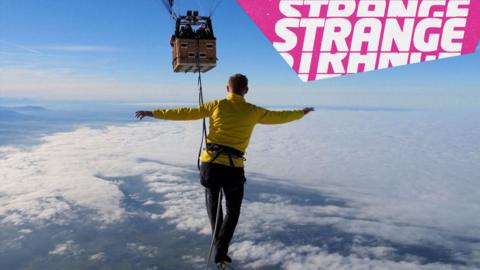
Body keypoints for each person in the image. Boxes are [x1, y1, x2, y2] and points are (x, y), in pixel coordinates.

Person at [135, 74, 314, 265]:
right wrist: (301, 112)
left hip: (210, 165)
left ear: (227, 89)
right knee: (233, 210)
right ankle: (221, 250)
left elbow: (185, 112)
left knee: (213, 202)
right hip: (233, 169)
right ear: (246, 90)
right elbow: (280, 117)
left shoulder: (217, 105)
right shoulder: (253, 111)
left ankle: (217, 241)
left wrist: (152, 113)